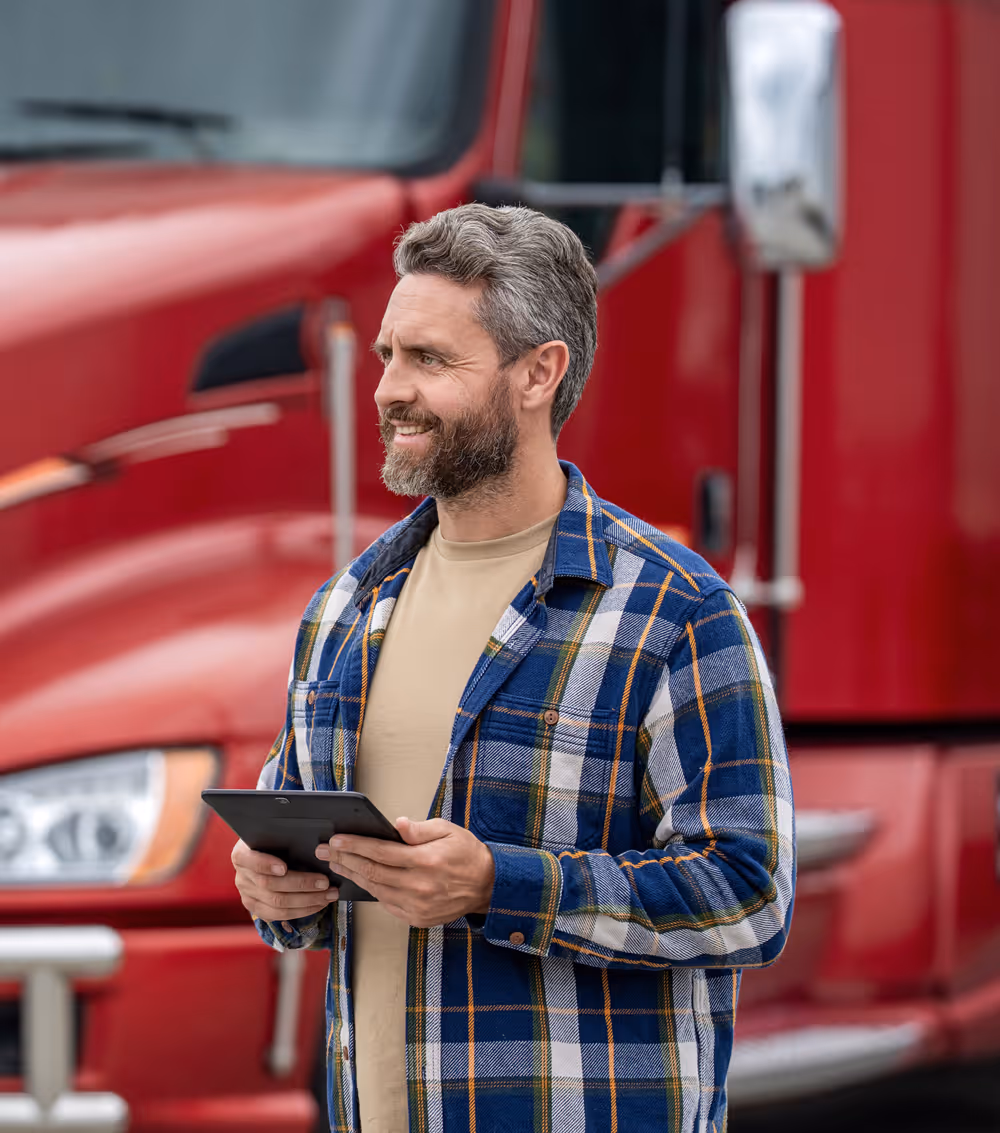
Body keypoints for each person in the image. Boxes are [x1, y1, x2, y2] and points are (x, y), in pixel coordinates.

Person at [232, 204, 794, 1133]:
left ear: (540, 372)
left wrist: (503, 884)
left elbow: (750, 894)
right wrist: (276, 891)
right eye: (387, 356)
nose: (389, 391)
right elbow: (301, 861)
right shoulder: (346, 607)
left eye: (432, 360)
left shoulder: (673, 612)